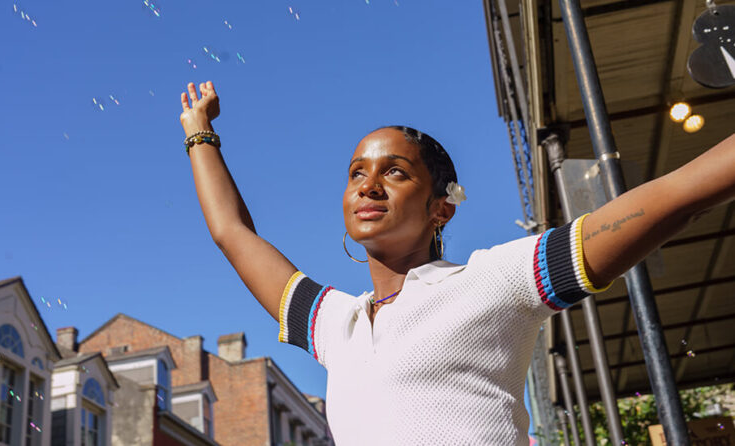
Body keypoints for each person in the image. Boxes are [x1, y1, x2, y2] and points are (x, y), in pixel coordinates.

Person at [179, 80, 735, 445]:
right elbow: (232, 233)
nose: (368, 186)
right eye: (356, 173)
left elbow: (677, 195)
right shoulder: (334, 325)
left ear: (440, 207)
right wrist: (201, 131)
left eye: (395, 172)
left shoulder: (492, 281)